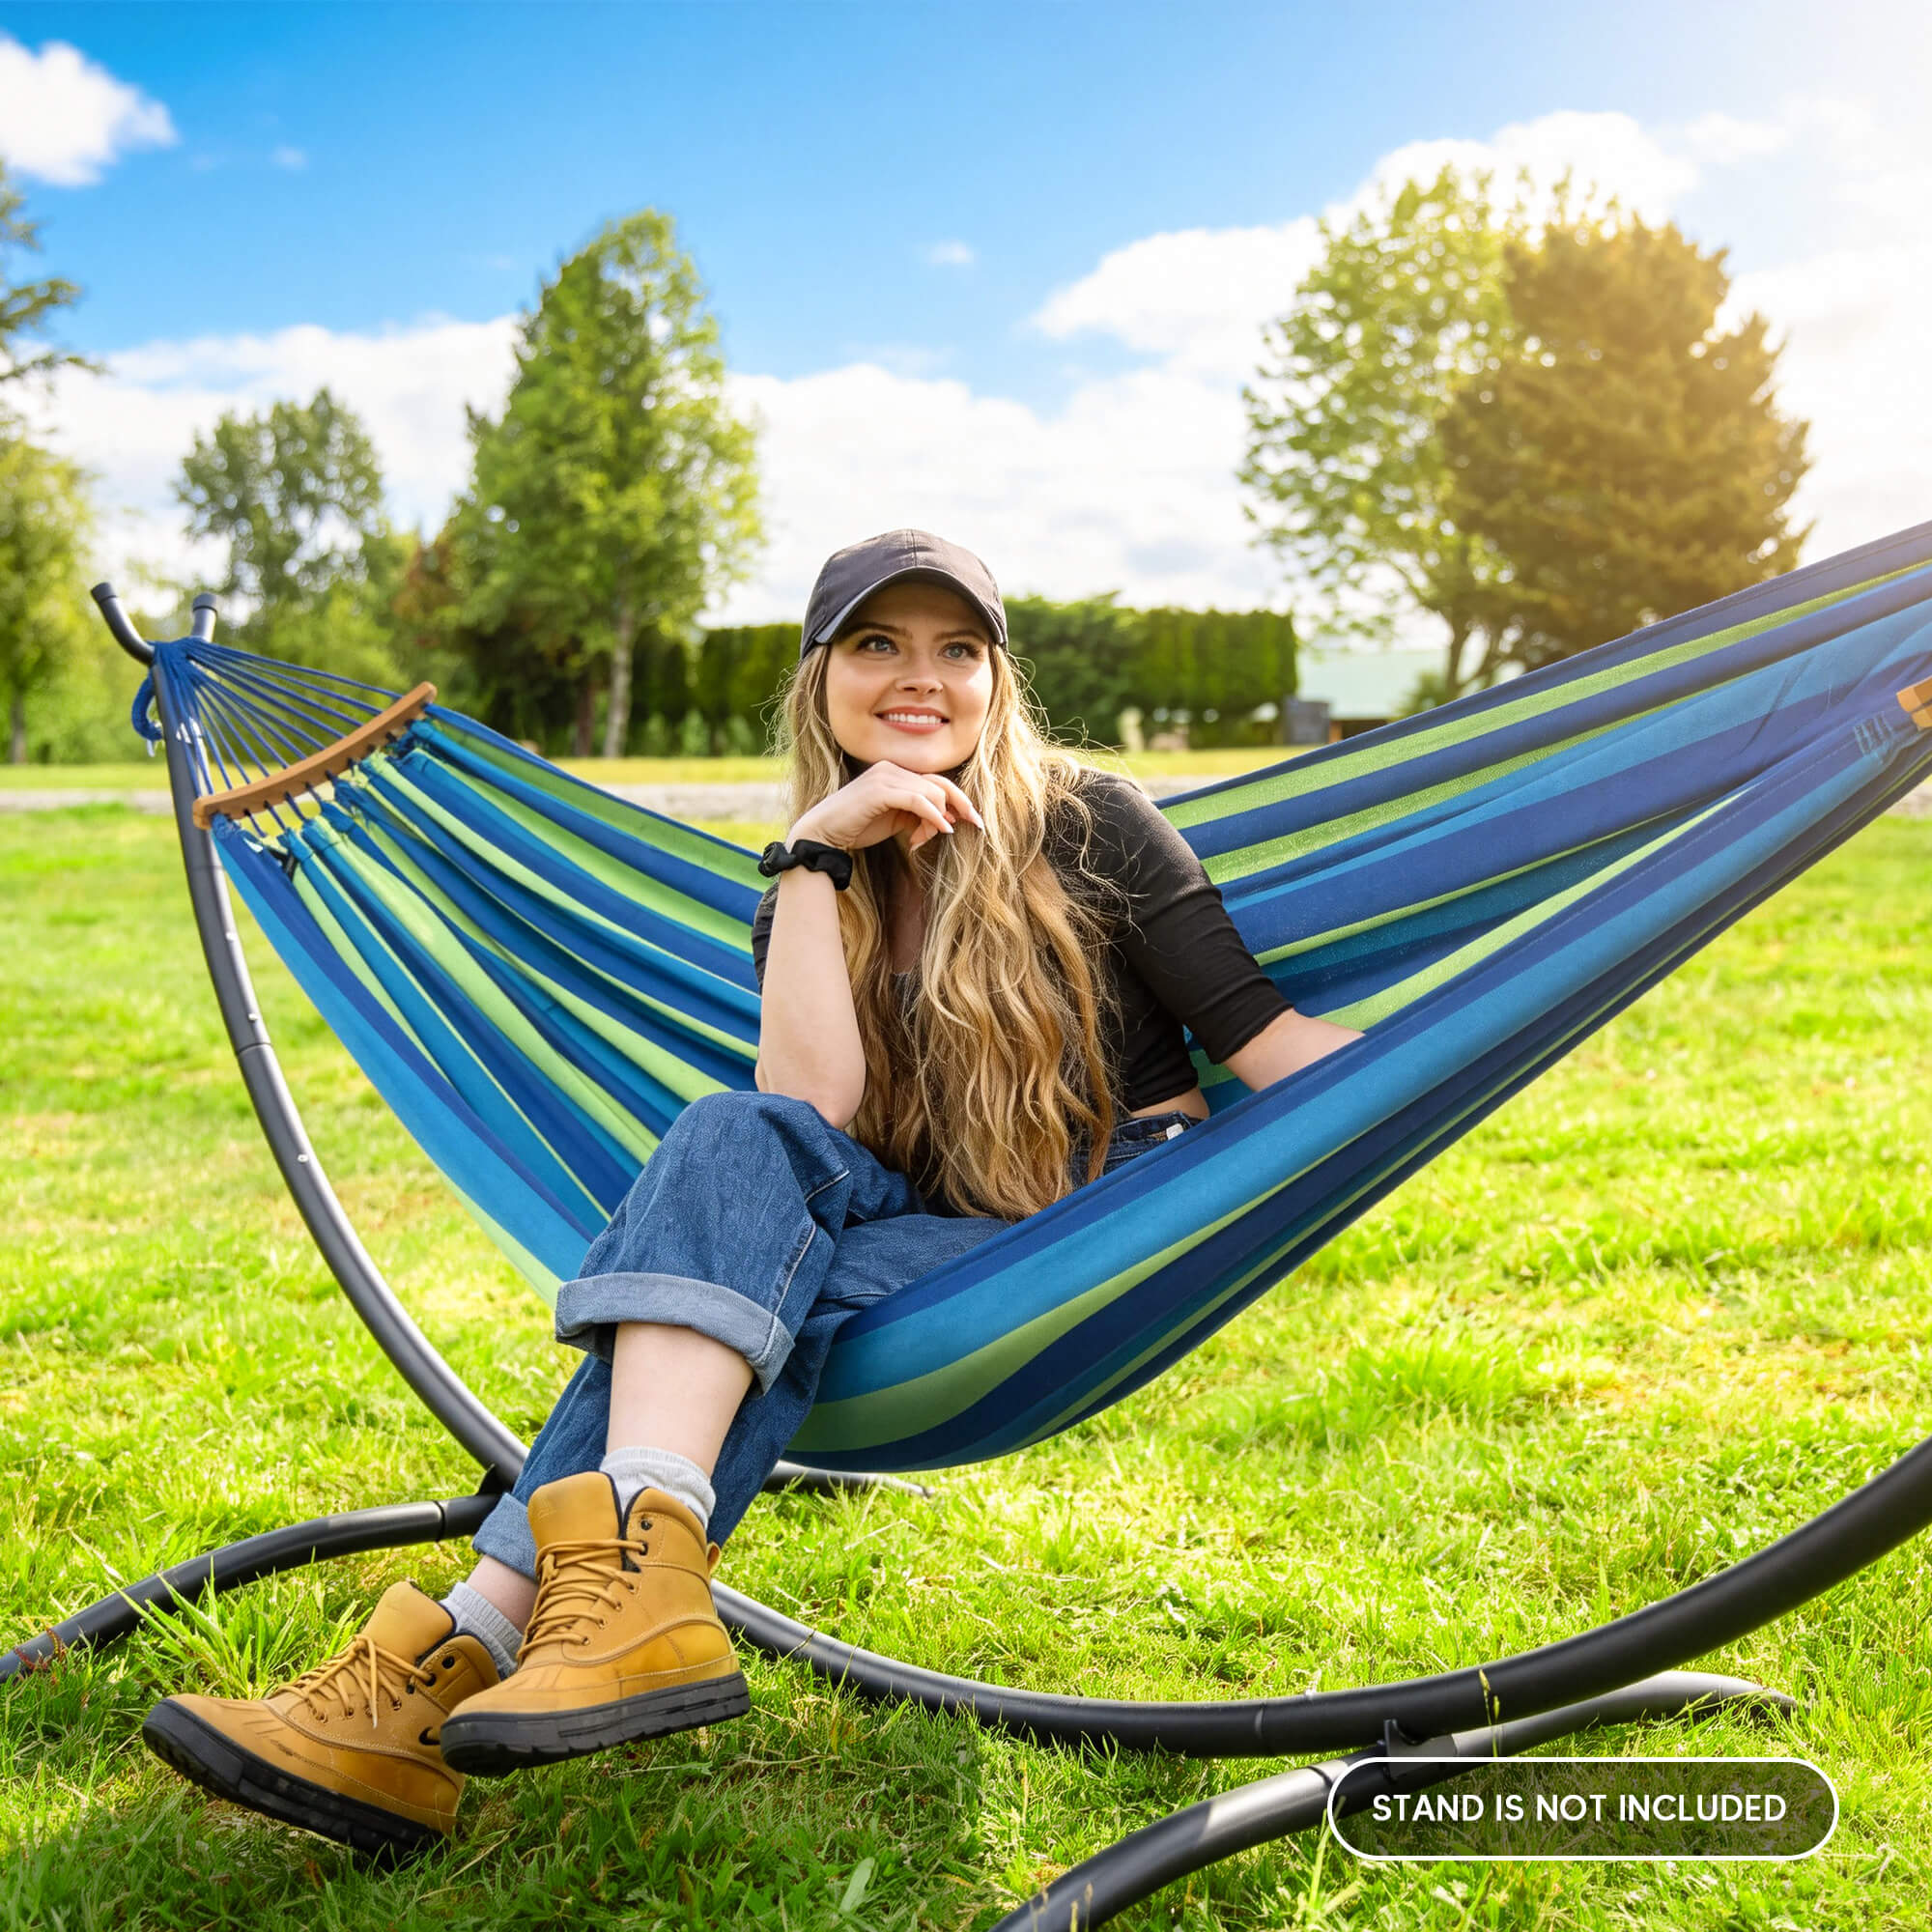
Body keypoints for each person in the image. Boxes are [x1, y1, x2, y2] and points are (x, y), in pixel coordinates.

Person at [139, 529, 1362, 1857]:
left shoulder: (1090, 823)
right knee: (734, 1151)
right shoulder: (811, 874)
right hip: (927, 1223)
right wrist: (817, 860)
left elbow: (1265, 1039)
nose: (922, 677)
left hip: (1113, 1206)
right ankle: (630, 1578)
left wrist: (1475, 1036)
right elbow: (808, 1108)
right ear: (820, 677)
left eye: (959, 649)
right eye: (879, 644)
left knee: (724, 1309)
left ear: (999, 682)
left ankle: (449, 1659)